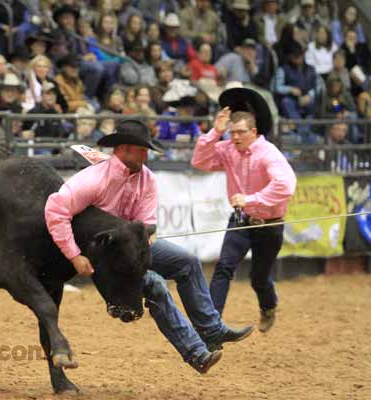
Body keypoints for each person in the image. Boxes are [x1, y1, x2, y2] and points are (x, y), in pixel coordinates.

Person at [45, 119, 253, 374]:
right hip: (103, 255)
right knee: (154, 284)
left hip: (132, 247)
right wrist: (75, 256)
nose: (146, 155)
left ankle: (212, 330)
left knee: (186, 261)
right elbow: (55, 210)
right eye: (141, 149)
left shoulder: (147, 179)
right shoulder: (93, 180)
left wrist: (145, 239)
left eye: (147, 150)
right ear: (122, 149)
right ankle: (196, 353)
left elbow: (147, 225)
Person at [191, 87, 297, 333]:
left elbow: (286, 185)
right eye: (232, 132)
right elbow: (199, 161)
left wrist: (250, 199)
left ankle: (268, 307)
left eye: (240, 132)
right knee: (224, 267)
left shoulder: (269, 153)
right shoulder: (228, 148)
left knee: (259, 279)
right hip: (240, 219)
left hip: (269, 223)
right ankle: (209, 324)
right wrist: (215, 132)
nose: (235, 137)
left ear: (254, 132)